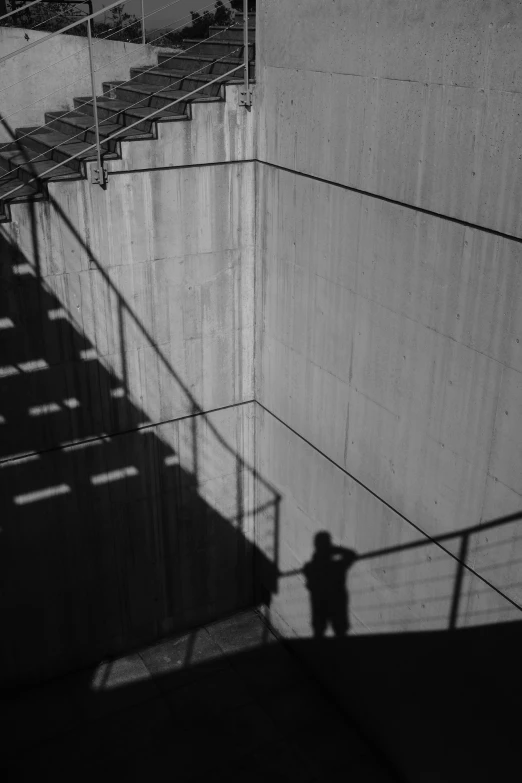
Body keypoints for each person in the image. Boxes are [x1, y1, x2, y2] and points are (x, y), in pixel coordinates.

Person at [303, 531, 357, 638]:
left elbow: (309, 586)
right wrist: (334, 549)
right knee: (339, 632)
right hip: (336, 604)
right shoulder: (337, 567)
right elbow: (351, 555)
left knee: (319, 633)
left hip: (319, 605)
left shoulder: (309, 567)